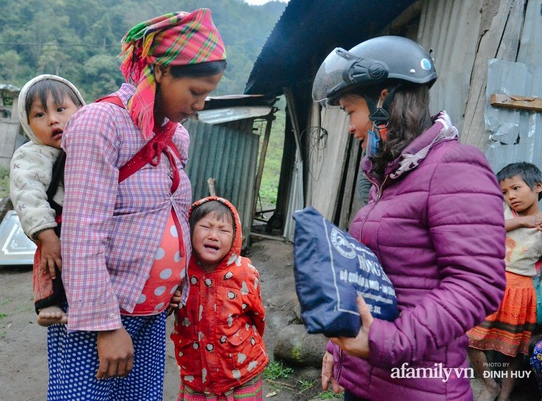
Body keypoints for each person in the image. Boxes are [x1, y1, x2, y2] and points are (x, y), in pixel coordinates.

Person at [311, 35, 507, 400]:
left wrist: (390, 341)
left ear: (382, 100)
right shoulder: (391, 178)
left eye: (351, 111)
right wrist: (340, 349)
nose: (351, 127)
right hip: (369, 380)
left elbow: (477, 282)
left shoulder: (453, 167)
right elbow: (376, 281)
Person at [55, 9, 226, 400]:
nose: (200, 104)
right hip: (103, 318)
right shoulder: (102, 123)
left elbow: (173, 214)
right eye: (196, 92)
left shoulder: (176, 137)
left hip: (152, 312)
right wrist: (105, 326)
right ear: (162, 72)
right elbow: (82, 232)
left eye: (207, 94)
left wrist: (178, 279)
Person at [171, 196, 268, 400]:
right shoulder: (179, 270)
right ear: (189, 229)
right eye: (206, 227)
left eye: (223, 230)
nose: (214, 235)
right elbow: (164, 306)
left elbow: (258, 317)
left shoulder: (245, 272)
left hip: (242, 373)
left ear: (235, 237)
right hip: (195, 374)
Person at [9, 74, 85, 327]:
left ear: (82, 110)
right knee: (50, 263)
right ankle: (47, 302)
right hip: (55, 227)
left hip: (86, 228)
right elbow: (27, 195)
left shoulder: (89, 148)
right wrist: (46, 234)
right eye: (39, 115)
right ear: (28, 124)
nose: (53, 119)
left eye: (61, 109)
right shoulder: (30, 155)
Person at [467, 162, 542, 401]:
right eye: (505, 192)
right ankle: (490, 385)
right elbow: (485, 228)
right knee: (469, 337)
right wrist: (521, 222)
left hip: (522, 291)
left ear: (538, 186)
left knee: (515, 349)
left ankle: (505, 395)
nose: (511, 196)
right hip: (492, 284)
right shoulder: (503, 213)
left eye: (516, 188)